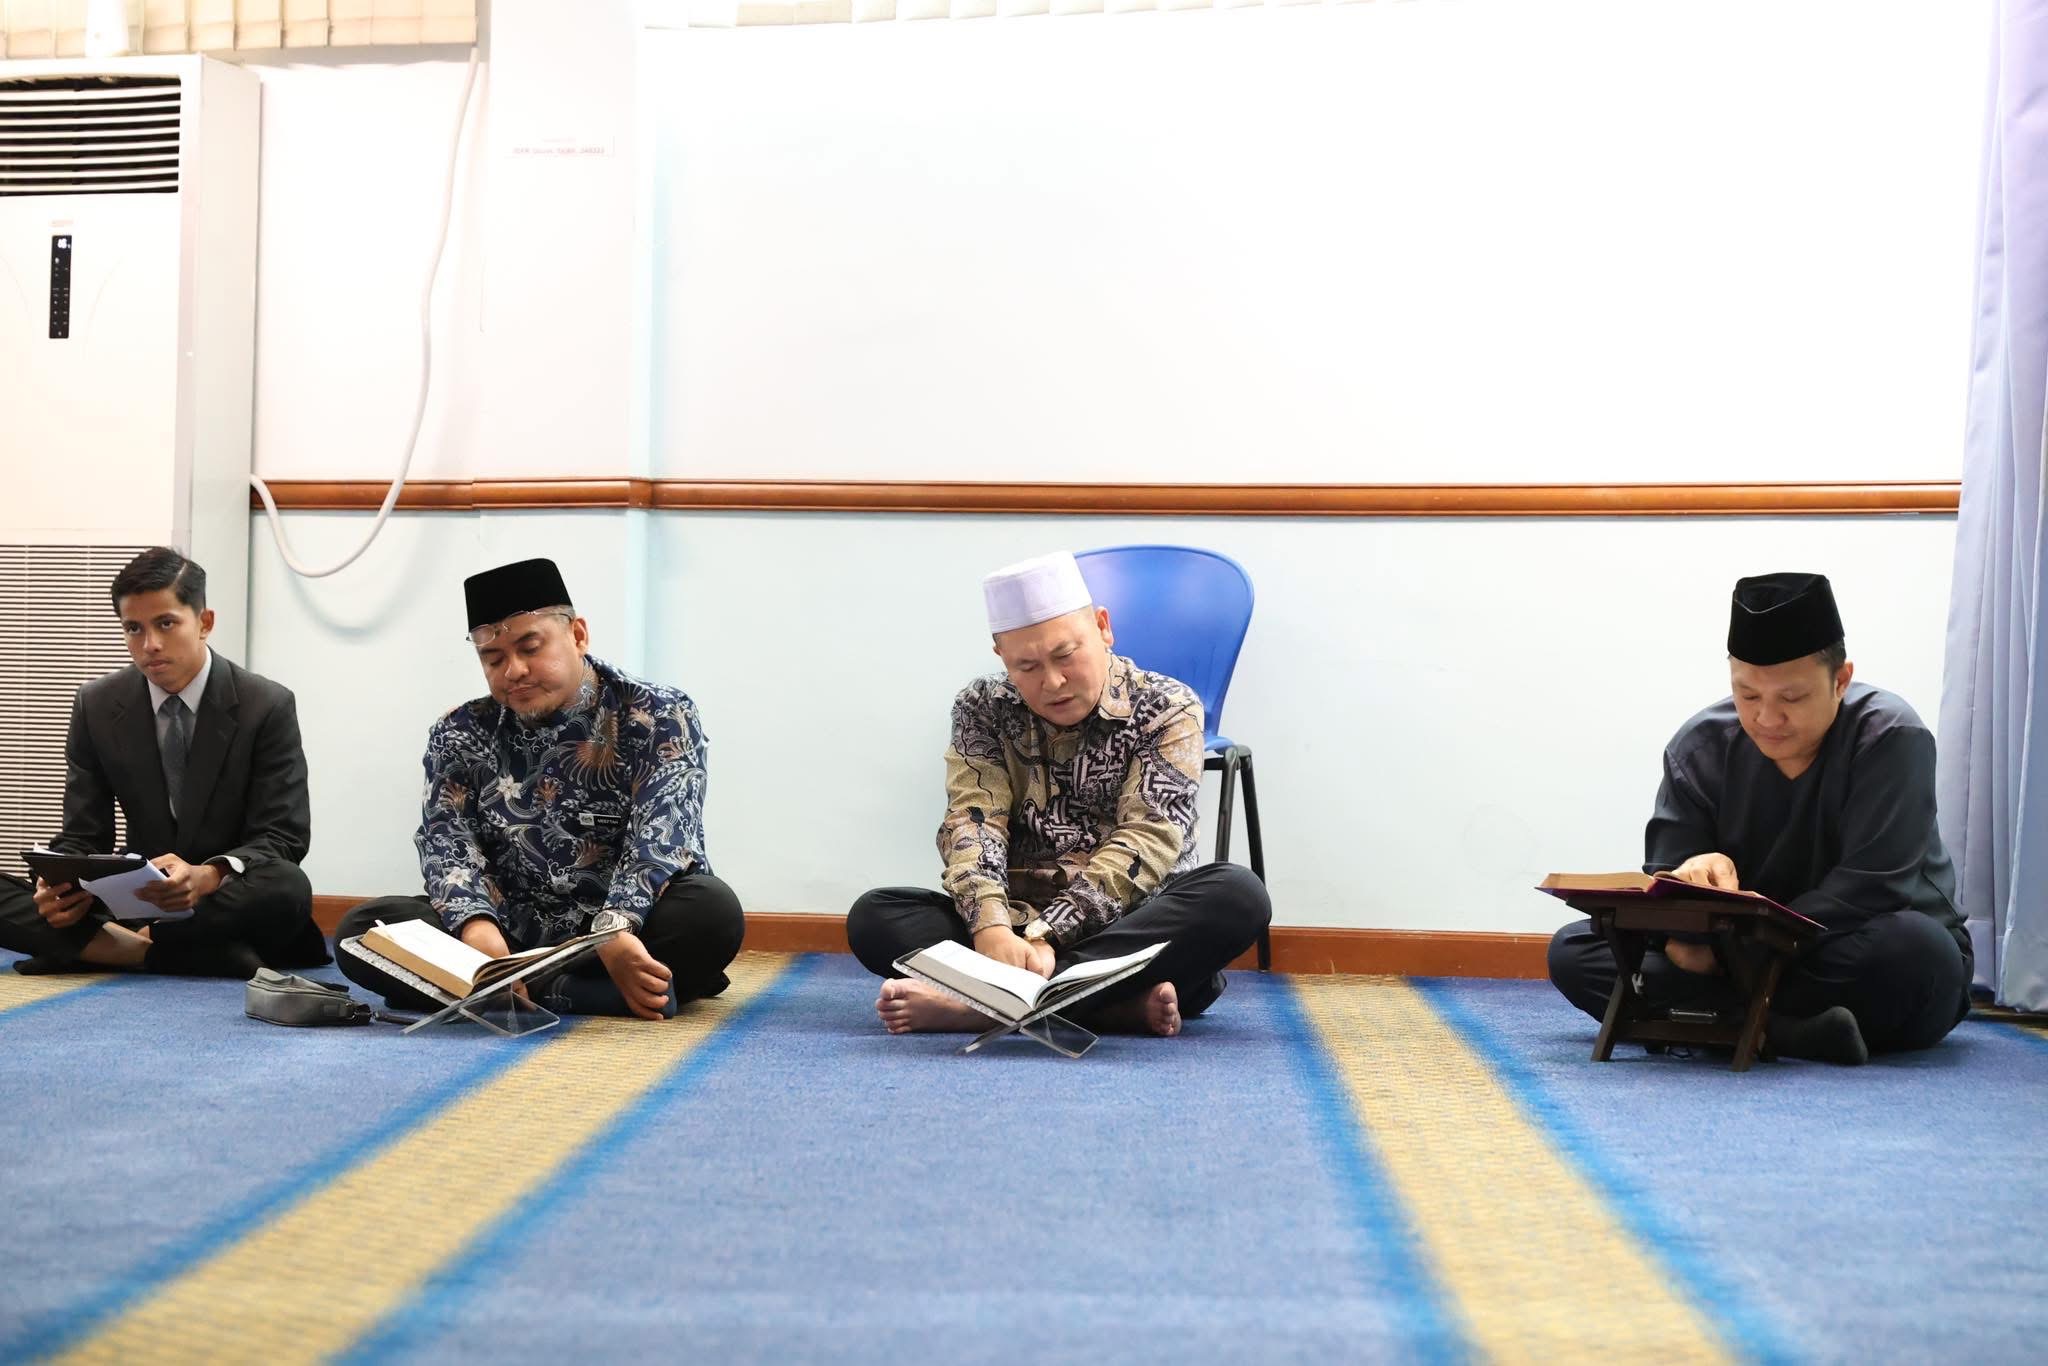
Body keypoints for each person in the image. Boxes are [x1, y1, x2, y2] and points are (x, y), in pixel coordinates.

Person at [1547, 571, 1973, 1064]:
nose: (1767, 719)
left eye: (1791, 698)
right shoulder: (1700, 747)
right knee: (1574, 952)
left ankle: (1715, 1023)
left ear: (1840, 680)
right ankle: (1788, 1033)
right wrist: (1689, 885)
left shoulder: (1890, 738)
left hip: (1844, 942)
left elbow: (1871, 888)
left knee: (1918, 952)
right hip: (1741, 952)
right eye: (1748, 696)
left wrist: (1726, 950)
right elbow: (1664, 890)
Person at [846, 549, 1270, 1038]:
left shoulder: (1167, 707)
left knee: (1237, 896)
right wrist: (991, 928)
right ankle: (1105, 1006)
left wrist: (1050, 933)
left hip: (1126, 925)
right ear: (1001, 657)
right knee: (876, 917)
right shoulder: (982, 707)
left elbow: (1148, 839)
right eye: (1026, 666)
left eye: (1066, 655)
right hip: (1014, 928)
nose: (1053, 682)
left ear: (1103, 628)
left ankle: (985, 1004)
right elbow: (973, 820)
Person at [333, 558, 742, 1020]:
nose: (514, 671)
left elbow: (662, 836)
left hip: (625, 928)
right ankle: (568, 992)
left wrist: (614, 927)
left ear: (578, 635)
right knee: (362, 932)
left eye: (530, 648)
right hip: (508, 932)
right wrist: (477, 929)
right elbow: (446, 839)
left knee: (711, 912)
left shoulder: (657, 713)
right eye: (494, 659)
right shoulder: (459, 732)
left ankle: (501, 993)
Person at [0, 547, 326, 978]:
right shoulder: (96, 704)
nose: (149, 645)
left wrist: (207, 875)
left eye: (166, 624)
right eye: (133, 628)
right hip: (135, 898)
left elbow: (282, 836)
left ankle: (106, 947)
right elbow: (84, 835)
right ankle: (164, 952)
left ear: (204, 622)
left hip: (221, 897)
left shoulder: (266, 705)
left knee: (288, 886)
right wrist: (57, 885)